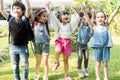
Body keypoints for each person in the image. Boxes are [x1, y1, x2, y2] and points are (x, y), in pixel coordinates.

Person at [83, 3, 120, 80]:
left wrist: (117, 7)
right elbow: (88, 19)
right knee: (97, 64)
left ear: (105, 18)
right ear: (95, 19)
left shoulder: (106, 25)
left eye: (102, 17)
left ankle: (106, 77)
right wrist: (85, 11)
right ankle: (98, 77)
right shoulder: (94, 27)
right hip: (97, 48)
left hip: (105, 48)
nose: (100, 18)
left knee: (105, 64)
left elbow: (112, 15)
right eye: (98, 17)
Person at [46, 2, 80, 80]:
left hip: (67, 43)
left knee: (65, 61)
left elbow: (76, 18)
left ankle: (66, 75)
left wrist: (74, 10)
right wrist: (47, 7)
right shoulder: (58, 24)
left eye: (67, 14)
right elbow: (52, 17)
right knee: (57, 51)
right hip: (60, 41)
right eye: (64, 14)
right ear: (60, 17)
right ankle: (57, 62)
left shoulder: (70, 25)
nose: (66, 16)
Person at [0, 0, 31, 80]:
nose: (15, 10)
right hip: (13, 48)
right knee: (14, 66)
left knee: (24, 66)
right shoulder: (10, 18)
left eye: (18, 8)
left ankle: (25, 78)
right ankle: (16, 78)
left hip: (23, 48)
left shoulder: (25, 19)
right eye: (14, 8)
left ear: (22, 10)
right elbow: (2, 10)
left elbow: (28, 8)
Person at [31, 8, 50, 80]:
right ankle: (37, 74)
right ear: (38, 16)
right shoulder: (34, 23)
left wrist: (47, 6)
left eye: (46, 16)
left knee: (45, 62)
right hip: (37, 45)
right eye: (44, 16)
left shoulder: (45, 24)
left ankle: (45, 76)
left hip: (45, 45)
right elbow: (29, 9)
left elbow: (49, 14)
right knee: (38, 62)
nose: (46, 18)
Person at [77, 11, 93, 78]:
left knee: (86, 58)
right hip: (80, 45)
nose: (84, 20)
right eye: (83, 19)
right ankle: (79, 69)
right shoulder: (80, 26)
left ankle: (85, 69)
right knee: (80, 57)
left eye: (86, 19)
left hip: (85, 45)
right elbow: (79, 19)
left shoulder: (90, 26)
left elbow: (91, 21)